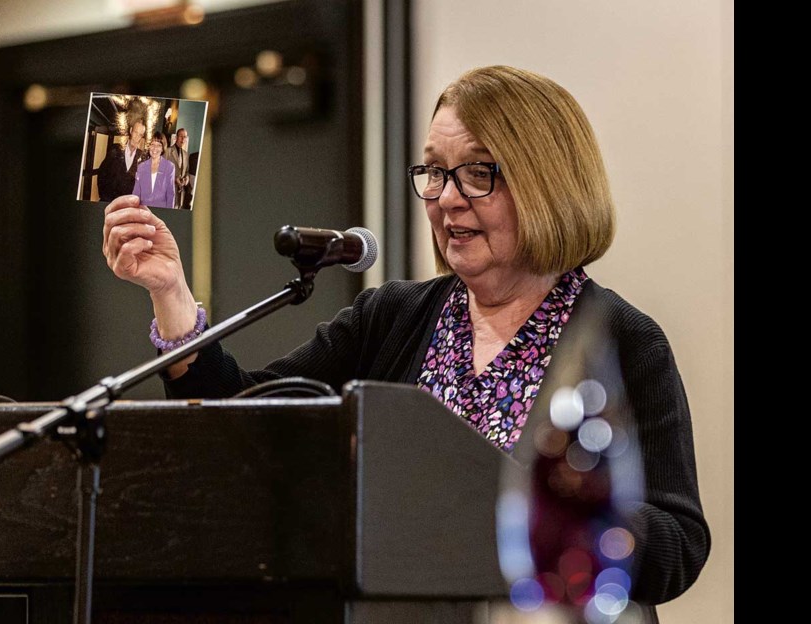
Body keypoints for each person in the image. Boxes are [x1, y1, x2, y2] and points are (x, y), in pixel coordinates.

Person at [101, 65, 709, 610]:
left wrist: (552, 510)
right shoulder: (390, 316)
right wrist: (170, 292)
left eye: (476, 173)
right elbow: (243, 422)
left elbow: (679, 544)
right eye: (435, 172)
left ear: (547, 182)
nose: (446, 199)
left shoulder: (627, 341)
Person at [97, 120, 147, 202]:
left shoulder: (141, 156)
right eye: (135, 132)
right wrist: (104, 197)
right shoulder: (115, 149)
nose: (137, 137)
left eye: (140, 135)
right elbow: (102, 173)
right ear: (131, 130)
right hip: (109, 201)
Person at [131, 132, 176, 209]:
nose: (155, 148)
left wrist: (169, 215)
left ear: (162, 148)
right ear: (149, 146)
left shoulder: (169, 167)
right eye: (152, 144)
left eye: (159, 145)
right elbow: (136, 193)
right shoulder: (141, 167)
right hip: (143, 211)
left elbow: (170, 194)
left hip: (161, 212)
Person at [165, 128, 190, 208]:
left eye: (185, 137)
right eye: (181, 136)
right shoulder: (167, 151)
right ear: (176, 137)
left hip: (180, 193)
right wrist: (174, 179)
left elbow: (187, 172)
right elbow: (162, 170)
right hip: (168, 190)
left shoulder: (186, 155)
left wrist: (187, 179)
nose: (183, 139)